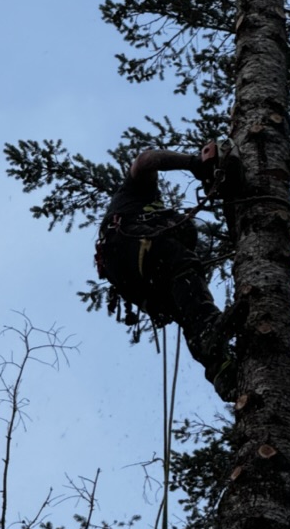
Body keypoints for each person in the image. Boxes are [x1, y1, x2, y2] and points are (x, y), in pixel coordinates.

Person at [95, 146, 239, 399]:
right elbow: (145, 159)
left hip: (138, 283)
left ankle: (218, 367)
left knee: (186, 308)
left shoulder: (157, 236)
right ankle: (208, 329)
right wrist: (196, 163)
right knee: (182, 264)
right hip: (126, 245)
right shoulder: (138, 193)